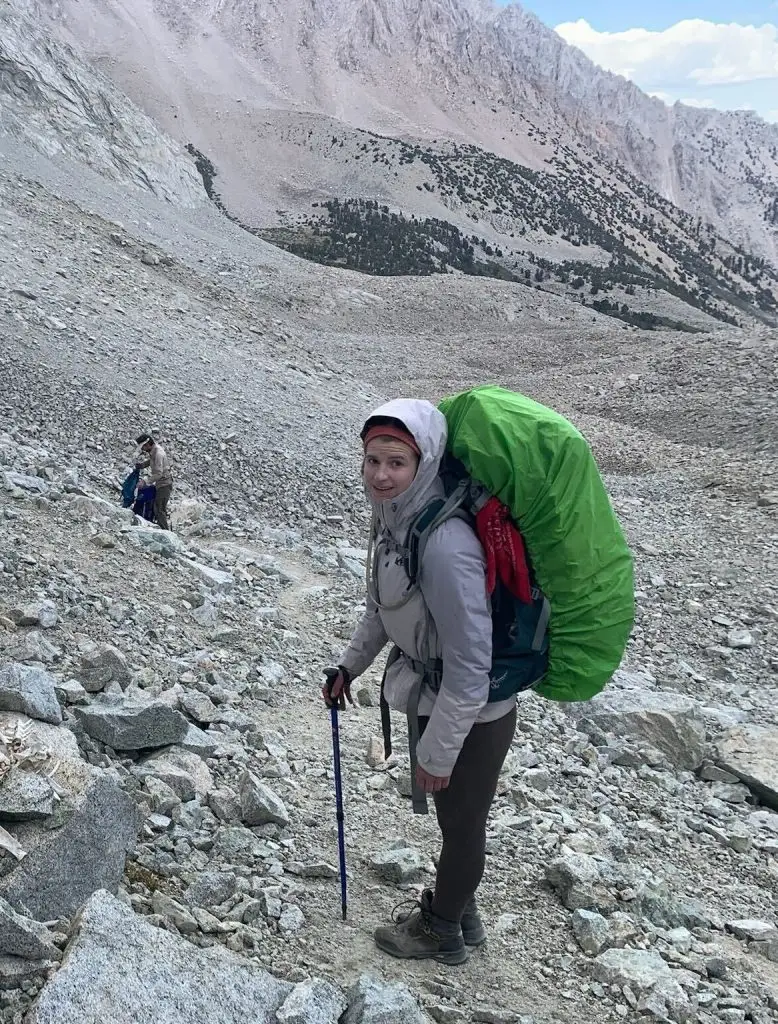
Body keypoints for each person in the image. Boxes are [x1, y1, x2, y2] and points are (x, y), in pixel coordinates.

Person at [322, 399, 517, 966]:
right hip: (434, 695)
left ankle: (442, 930)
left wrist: (437, 750)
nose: (381, 475)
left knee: (460, 824)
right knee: (458, 820)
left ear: (423, 461)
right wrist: (348, 668)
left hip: (473, 710)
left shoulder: (445, 543)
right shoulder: (397, 518)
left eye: (396, 462)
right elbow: (386, 607)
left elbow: (471, 661)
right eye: (372, 461)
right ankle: (460, 908)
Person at [135, 433, 173, 531]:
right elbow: (152, 461)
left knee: (159, 509)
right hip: (160, 484)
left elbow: (159, 474)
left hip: (164, 484)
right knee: (157, 507)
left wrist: (145, 481)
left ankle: (166, 532)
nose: (143, 449)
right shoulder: (154, 451)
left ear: (147, 444)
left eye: (143, 447)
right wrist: (143, 465)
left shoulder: (158, 454)